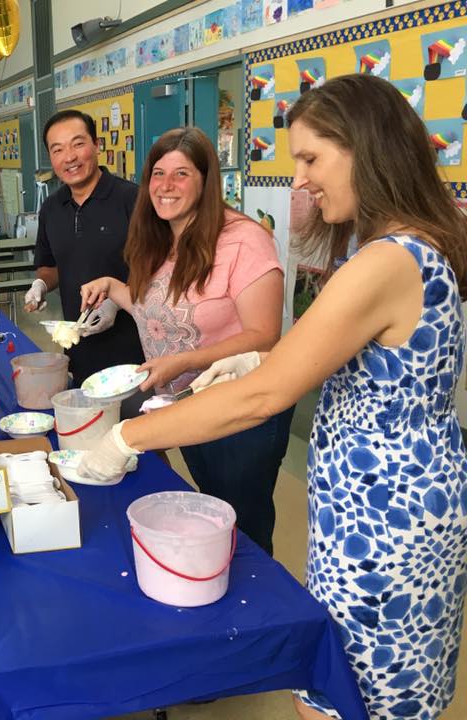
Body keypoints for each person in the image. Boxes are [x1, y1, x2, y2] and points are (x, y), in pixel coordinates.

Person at [78, 74, 467, 720]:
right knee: (388, 694)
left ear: (367, 148)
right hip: (396, 500)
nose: (301, 182)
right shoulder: (415, 248)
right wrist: (254, 358)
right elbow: (340, 361)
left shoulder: (386, 260)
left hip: (383, 520)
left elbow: (264, 398)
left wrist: (126, 437)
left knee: (342, 696)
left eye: (311, 159)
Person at [80, 127, 293, 554]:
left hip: (240, 405)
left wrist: (185, 361)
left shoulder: (243, 240)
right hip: (187, 402)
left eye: (181, 174)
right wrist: (113, 289)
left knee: (242, 524)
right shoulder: (160, 236)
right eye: (158, 174)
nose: (166, 186)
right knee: (211, 510)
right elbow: (160, 308)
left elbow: (264, 335)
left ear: (206, 180)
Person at [25, 109, 144, 385]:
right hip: (80, 349)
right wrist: (40, 285)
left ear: (96, 145)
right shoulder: (51, 208)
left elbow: (158, 270)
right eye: (58, 149)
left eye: (78, 144)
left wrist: (116, 301)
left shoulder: (132, 199)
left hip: (135, 351)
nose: (69, 157)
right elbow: (50, 265)